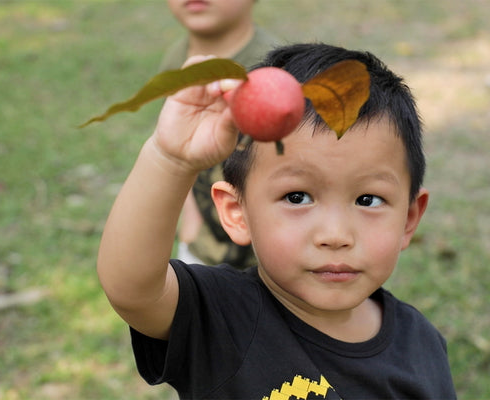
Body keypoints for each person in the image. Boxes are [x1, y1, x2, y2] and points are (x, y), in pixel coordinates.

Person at [97, 43, 456, 399]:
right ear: (238, 213)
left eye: (368, 200)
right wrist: (170, 159)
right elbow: (132, 288)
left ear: (409, 219)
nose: (335, 235)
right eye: (297, 197)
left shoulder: (422, 345)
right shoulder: (221, 318)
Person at [162, 0, 281, 269]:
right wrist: (190, 225)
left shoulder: (272, 71)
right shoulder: (177, 60)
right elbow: (180, 153)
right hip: (204, 251)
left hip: (268, 264)